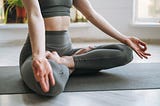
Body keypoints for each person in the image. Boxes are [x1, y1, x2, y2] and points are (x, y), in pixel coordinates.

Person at [20, 0, 151, 96]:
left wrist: (124, 38)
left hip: (66, 52)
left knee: (125, 52)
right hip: (38, 54)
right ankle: (72, 65)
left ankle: (66, 62)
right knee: (50, 86)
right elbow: (35, 15)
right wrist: (39, 57)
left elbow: (91, 15)